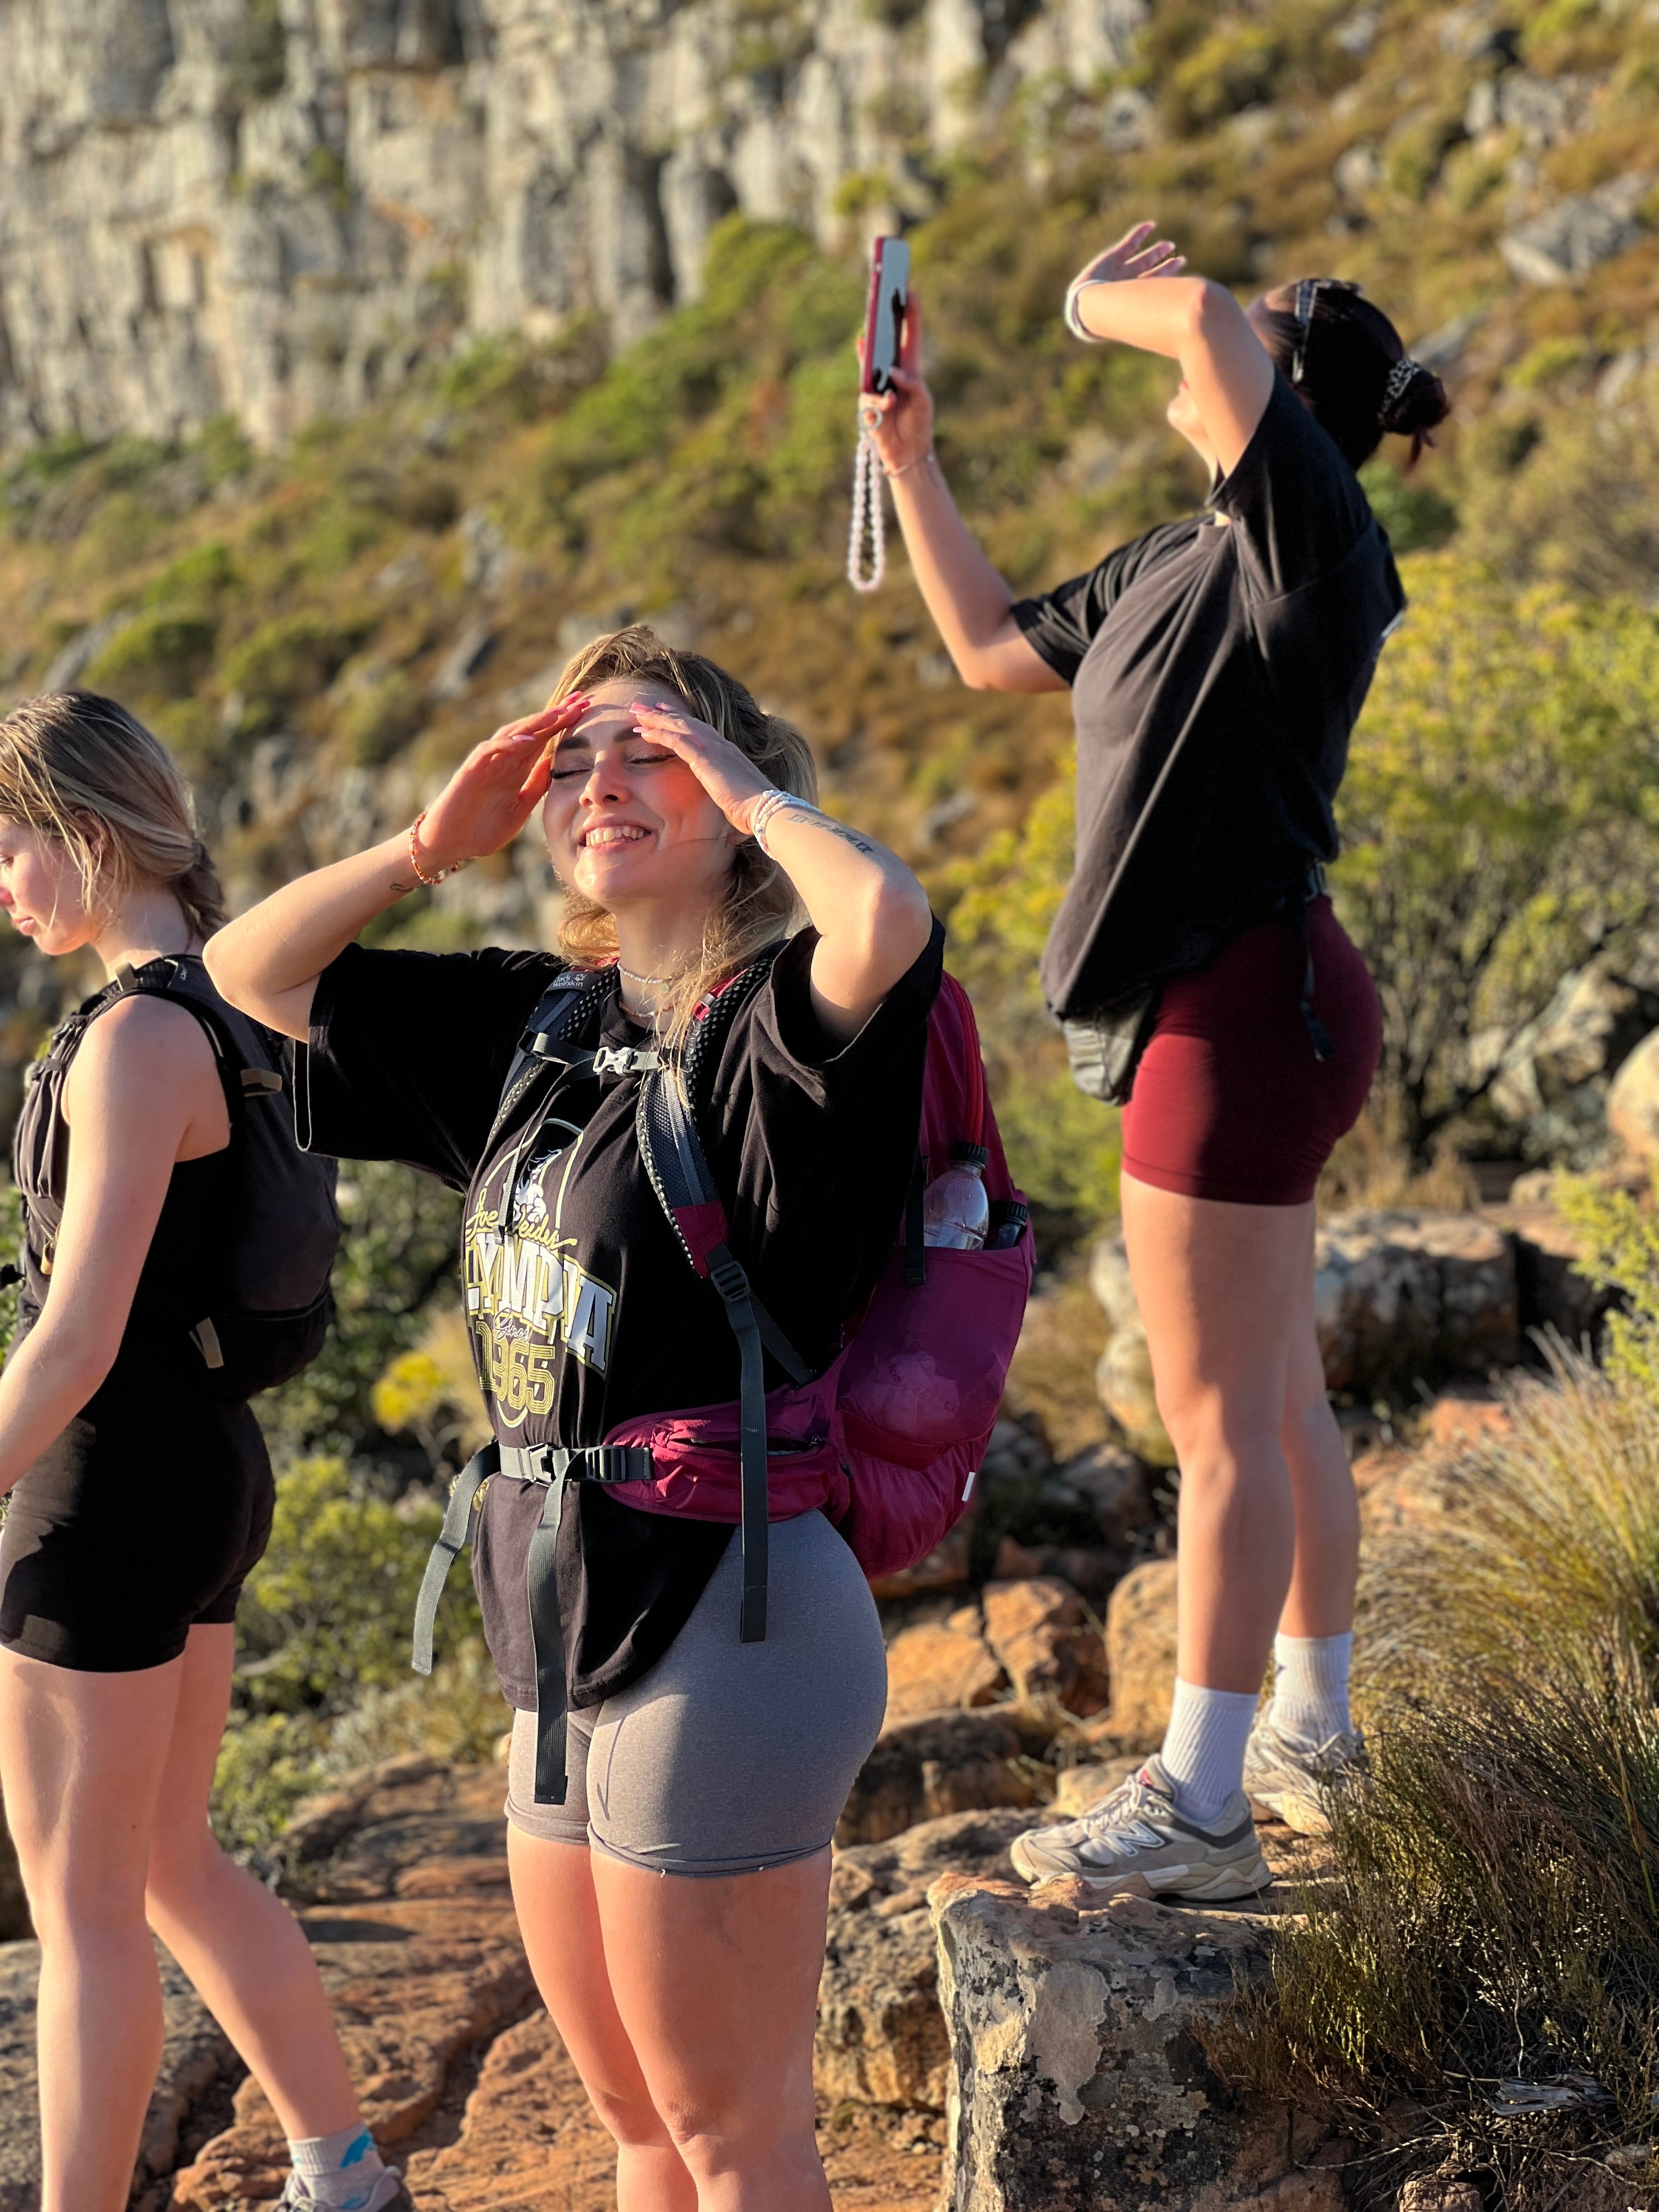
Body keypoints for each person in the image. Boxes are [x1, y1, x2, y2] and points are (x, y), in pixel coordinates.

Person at [204, 626, 939, 2211]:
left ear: (728, 784)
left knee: (737, 2133)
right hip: (551, 1603)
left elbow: (884, 910)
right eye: (573, 760)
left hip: (732, 1610)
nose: (602, 782)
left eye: (646, 751)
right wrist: (422, 848)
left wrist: (741, 786)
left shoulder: (783, 1025)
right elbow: (249, 978)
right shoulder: (531, 1020)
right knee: (635, 2124)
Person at [868, 227, 1449, 1889]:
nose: (1202, 364)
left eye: (1247, 353)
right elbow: (987, 645)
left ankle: (1202, 1805)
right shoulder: (1178, 553)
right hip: (1255, 1007)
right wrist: (914, 463)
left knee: (1214, 1426)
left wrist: (1071, 301)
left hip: (1240, 1013)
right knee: (1273, 1404)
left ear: (1284, 397)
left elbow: (1187, 312)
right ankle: (1311, 1735)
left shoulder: (1313, 537)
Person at [0, 692, 408, 2212]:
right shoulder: (244, 1007)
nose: (4, 885)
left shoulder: (132, 1042)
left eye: (14, 849)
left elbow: (74, 1339)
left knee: (82, 1912)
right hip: (212, 1476)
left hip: (105, 1486)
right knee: (173, 1862)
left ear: (87, 838)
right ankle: (344, 2173)